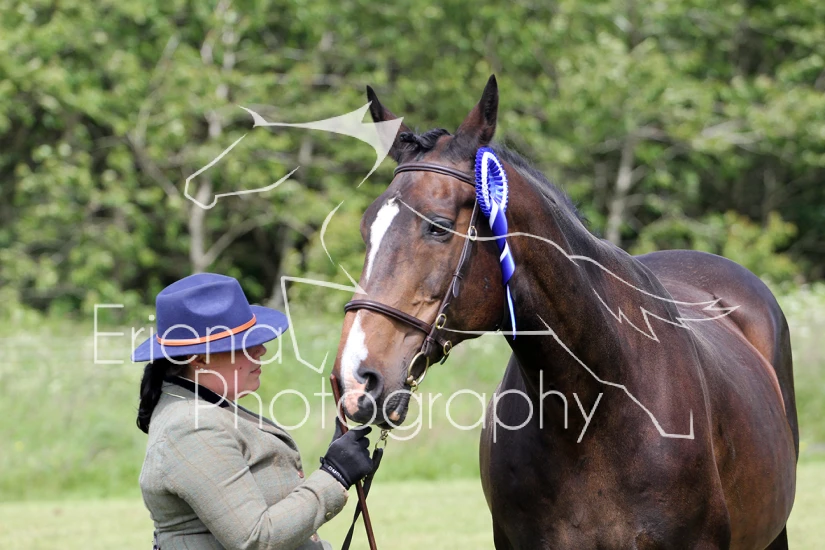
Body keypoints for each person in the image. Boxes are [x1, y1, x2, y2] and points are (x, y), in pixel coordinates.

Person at [133, 273, 373, 549]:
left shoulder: (203, 407)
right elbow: (255, 538)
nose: (261, 350)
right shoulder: (191, 426)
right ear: (198, 358)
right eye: (243, 343)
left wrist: (335, 465)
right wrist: (334, 475)